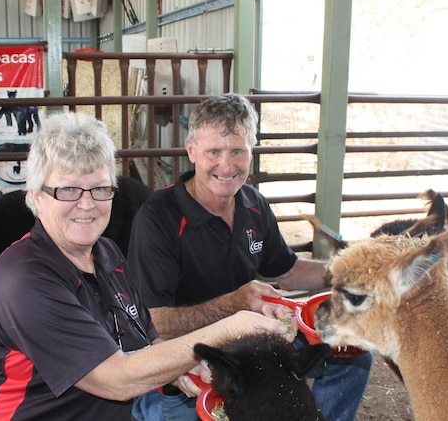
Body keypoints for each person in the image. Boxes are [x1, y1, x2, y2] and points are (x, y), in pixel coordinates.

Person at [0, 112, 295, 421]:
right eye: (67, 189)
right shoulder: (25, 278)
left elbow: (143, 340)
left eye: (99, 188)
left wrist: (181, 368)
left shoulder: (106, 254)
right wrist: (230, 327)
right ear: (36, 196)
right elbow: (115, 379)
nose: (86, 204)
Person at [128, 94, 373, 421]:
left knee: (353, 357)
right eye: (213, 152)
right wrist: (234, 304)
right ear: (191, 151)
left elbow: (287, 272)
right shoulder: (159, 217)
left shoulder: (253, 203)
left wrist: (350, 272)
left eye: (237, 152)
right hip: (187, 365)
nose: (226, 166)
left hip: (254, 350)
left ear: (251, 151)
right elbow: (153, 321)